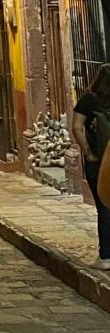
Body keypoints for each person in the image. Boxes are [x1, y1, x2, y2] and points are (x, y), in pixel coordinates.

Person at [72, 64, 110, 269]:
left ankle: (106, 256)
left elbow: (76, 127)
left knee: (104, 208)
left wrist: (88, 152)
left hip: (99, 161)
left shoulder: (88, 101)